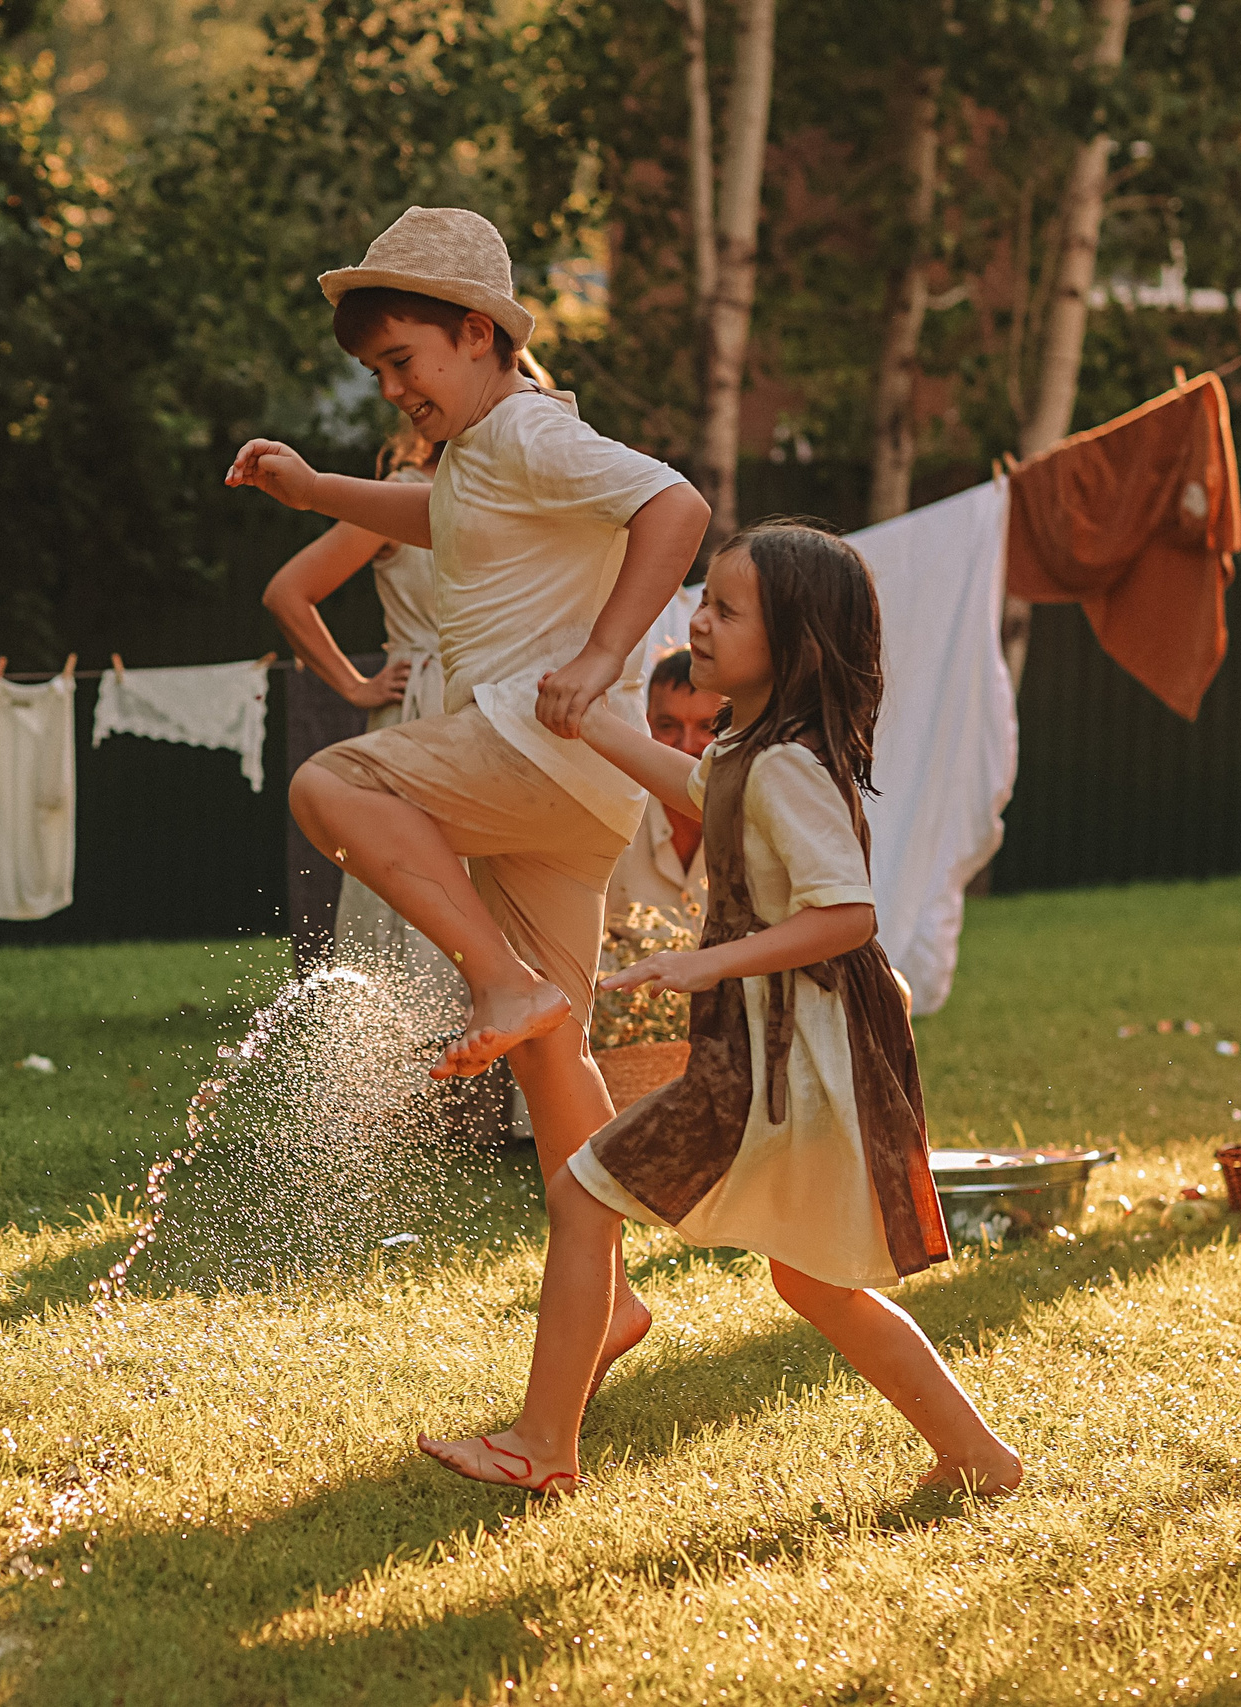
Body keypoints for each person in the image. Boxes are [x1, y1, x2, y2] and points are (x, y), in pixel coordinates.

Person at [417, 524, 1023, 1500]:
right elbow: (701, 785)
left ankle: (541, 1446)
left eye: (726, 609)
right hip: (786, 1067)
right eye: (706, 600)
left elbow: (847, 917)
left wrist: (708, 965)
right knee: (812, 1281)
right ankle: (978, 1459)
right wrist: (591, 724)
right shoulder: (754, 748)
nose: (699, 619)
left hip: (782, 1069)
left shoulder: (786, 766)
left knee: (580, 1195)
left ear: (794, 646)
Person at [227, 206, 710, 1389]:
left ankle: (495, 980)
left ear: (483, 335)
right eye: (377, 371)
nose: (393, 388)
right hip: (571, 793)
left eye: (404, 362)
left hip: (533, 745)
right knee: (555, 1057)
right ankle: (609, 1302)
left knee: (332, 781)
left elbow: (678, 507)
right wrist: (312, 495)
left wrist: (603, 657)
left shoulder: (533, 432)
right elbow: (432, 520)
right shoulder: (482, 458)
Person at [261, 419, 450, 981]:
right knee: (415, 873)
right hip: (427, 706)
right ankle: (404, 1038)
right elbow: (288, 593)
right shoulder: (403, 493)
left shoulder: (517, 494)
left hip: (504, 702)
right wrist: (353, 685)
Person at [602, 645, 724, 938]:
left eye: (707, 727)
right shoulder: (611, 814)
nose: (686, 745)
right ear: (644, 724)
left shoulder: (759, 821)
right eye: (668, 725)